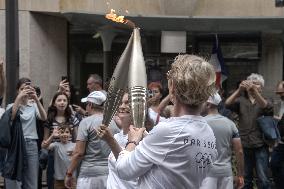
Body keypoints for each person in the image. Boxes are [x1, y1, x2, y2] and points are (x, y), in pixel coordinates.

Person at [111, 54, 218, 189]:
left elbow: (124, 170)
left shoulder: (168, 129)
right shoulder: (208, 132)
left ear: (172, 88)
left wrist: (132, 141)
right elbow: (171, 156)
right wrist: (148, 138)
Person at [225, 73, 272, 189]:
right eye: (252, 84)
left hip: (261, 144)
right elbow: (227, 104)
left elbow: (265, 106)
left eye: (257, 84)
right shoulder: (241, 101)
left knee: (263, 179)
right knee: (246, 179)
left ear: (262, 87)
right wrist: (239, 90)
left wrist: (254, 92)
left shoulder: (266, 100)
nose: (254, 86)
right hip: (245, 144)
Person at [64, 91, 119, 189]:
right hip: (110, 174)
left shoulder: (85, 122)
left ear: (90, 104)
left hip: (89, 175)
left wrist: (69, 173)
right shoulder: (115, 121)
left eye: (86, 104)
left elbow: (79, 153)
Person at [5, 77, 47, 189]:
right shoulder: (11, 106)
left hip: (31, 144)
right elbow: (11, 117)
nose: (25, 91)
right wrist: (19, 98)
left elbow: (44, 117)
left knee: (31, 181)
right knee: (15, 180)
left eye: (27, 89)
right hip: (16, 145)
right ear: (17, 91)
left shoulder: (33, 105)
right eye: (22, 89)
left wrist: (36, 99)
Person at [200, 92, 244, 189]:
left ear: (208, 104)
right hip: (226, 174)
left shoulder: (200, 124)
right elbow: (239, 151)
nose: (200, 105)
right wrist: (240, 175)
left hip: (206, 175)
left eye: (202, 102)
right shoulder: (230, 124)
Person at [43, 92, 80, 189]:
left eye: (64, 100)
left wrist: (75, 150)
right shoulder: (49, 119)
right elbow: (45, 141)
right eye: (59, 100)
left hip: (69, 154)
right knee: (54, 183)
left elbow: (77, 139)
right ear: (54, 103)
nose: (62, 102)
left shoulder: (72, 119)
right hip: (54, 155)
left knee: (71, 182)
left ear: (68, 103)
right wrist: (53, 135)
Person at [270, 81, 284, 189]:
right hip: (280, 142)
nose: (279, 95)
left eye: (281, 93)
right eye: (278, 93)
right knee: (274, 164)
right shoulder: (282, 103)